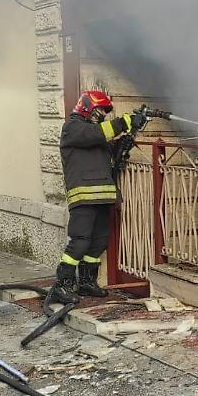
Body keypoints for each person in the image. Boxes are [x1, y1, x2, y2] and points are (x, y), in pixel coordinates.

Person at [44, 89, 145, 305]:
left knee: (98, 242)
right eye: (100, 110)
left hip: (103, 196)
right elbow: (98, 133)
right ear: (87, 106)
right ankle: (62, 285)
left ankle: (87, 282)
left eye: (104, 112)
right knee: (80, 242)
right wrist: (125, 121)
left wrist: (126, 139)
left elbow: (108, 152)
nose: (102, 115)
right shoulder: (72, 128)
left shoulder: (93, 133)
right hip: (84, 197)